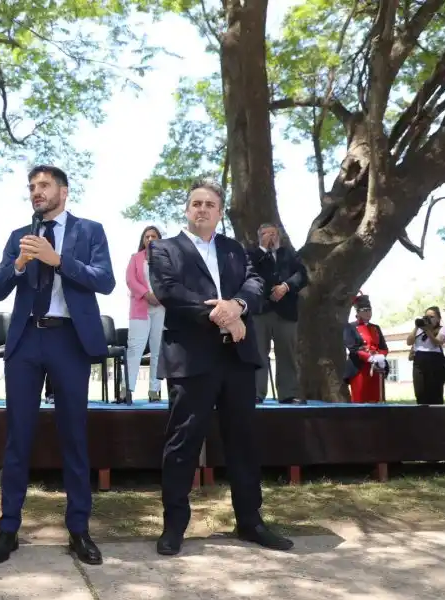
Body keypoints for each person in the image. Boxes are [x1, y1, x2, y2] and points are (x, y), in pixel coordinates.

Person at [148, 178, 293, 556]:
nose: (202, 209)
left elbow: (255, 283)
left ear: (219, 211)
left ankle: (251, 521)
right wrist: (223, 316)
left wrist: (238, 307)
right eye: (196, 203)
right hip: (191, 359)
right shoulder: (164, 249)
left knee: (243, 443)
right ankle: (174, 526)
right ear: (186, 209)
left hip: (237, 359)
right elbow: (169, 291)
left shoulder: (235, 249)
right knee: (183, 443)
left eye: (209, 204)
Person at [0, 165, 115, 566]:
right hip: (26, 339)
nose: (36, 191)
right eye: (32, 186)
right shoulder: (18, 237)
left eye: (44, 185)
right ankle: (8, 529)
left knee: (74, 435)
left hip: (69, 339)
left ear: (64, 190)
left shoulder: (89, 231)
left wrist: (58, 260)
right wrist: (20, 263)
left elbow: (105, 280)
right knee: (18, 436)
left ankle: (79, 529)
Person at [247, 223, 308, 404]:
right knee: (258, 352)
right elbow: (249, 276)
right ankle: (256, 393)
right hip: (260, 311)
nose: (271, 237)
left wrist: (285, 287)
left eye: (273, 234)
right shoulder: (251, 255)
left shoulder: (289, 255)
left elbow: (302, 275)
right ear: (260, 237)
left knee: (287, 353)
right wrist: (263, 250)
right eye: (266, 234)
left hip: (286, 312)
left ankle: (288, 393)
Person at [123, 226, 165, 403]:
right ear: (143, 240)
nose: (150, 239)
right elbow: (130, 280)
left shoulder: (166, 260)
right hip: (140, 308)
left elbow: (170, 281)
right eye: (147, 236)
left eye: (153, 236)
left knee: (157, 350)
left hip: (160, 308)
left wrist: (160, 296)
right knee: (135, 349)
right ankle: (127, 389)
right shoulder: (135, 258)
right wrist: (146, 294)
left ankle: (154, 390)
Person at [343, 293, 389, 403]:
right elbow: (353, 348)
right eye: (365, 310)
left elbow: (383, 347)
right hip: (359, 367)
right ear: (358, 312)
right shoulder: (350, 327)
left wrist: (380, 357)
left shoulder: (375, 327)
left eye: (370, 310)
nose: (368, 313)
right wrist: (369, 357)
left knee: (376, 398)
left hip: (376, 367)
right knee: (360, 399)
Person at [407, 306, 445, 405]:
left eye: (432, 317)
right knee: (420, 392)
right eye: (426, 317)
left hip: (434, 361)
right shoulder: (419, 330)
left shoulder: (443, 329)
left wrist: (427, 330)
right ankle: (422, 412)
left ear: (438, 319)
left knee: (434, 393)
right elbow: (409, 342)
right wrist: (417, 327)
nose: (428, 319)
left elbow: (437, 342)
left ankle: (436, 413)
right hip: (419, 361)